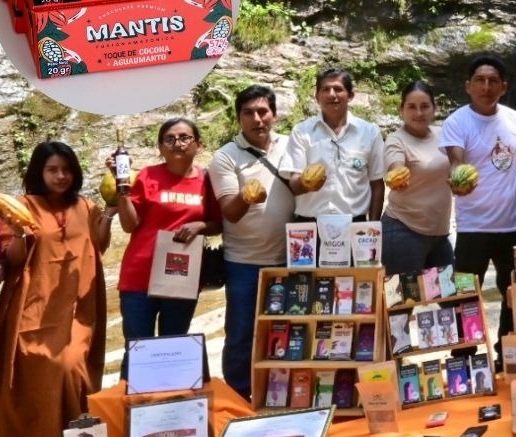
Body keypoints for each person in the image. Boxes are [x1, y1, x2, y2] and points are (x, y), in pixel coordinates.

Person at [0, 141, 113, 437]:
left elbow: (99, 246)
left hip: (79, 306)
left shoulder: (87, 206)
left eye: (66, 169)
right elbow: (13, 260)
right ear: (39, 172)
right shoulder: (22, 206)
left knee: (74, 370)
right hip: (35, 305)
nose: (60, 176)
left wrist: (112, 210)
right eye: (52, 169)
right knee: (40, 380)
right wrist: (18, 233)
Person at [440, 55, 516, 365]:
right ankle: (463, 359)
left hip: (511, 227)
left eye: (493, 81)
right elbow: (456, 160)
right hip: (472, 227)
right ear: (468, 85)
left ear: (503, 87)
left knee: (514, 295)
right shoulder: (457, 121)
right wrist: (457, 178)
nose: (486, 86)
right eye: (480, 80)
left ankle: (508, 356)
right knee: (464, 297)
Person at [209, 85, 295, 399]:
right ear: (238, 118)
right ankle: (238, 397)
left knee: (288, 329)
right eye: (249, 113)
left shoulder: (291, 145)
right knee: (241, 334)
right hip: (243, 262)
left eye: (263, 112)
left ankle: (281, 392)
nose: (257, 119)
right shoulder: (225, 157)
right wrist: (246, 196)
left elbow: (303, 185)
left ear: (274, 114)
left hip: (291, 257)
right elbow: (230, 212)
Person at [115, 118, 222, 340]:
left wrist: (200, 226)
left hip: (181, 276)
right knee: (137, 350)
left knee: (173, 348)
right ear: (161, 148)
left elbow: (219, 224)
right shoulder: (147, 176)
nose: (178, 143)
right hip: (139, 276)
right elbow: (128, 225)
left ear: (198, 145)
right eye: (169, 139)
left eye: (185, 138)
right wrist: (122, 189)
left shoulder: (207, 180)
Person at [281, 68, 385, 222]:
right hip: (310, 224)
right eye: (325, 89)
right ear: (317, 97)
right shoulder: (302, 131)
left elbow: (377, 184)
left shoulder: (370, 132)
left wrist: (373, 226)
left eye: (338, 89)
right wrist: (306, 184)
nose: (331, 94)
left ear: (350, 96)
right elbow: (294, 185)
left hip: (354, 223)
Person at [382, 81, 454, 276]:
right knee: (403, 303)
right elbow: (395, 166)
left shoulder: (444, 134)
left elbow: (457, 166)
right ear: (401, 110)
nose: (419, 113)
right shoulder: (396, 140)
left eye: (424, 106)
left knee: (452, 300)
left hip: (439, 234)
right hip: (403, 230)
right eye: (411, 107)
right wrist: (398, 177)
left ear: (434, 109)